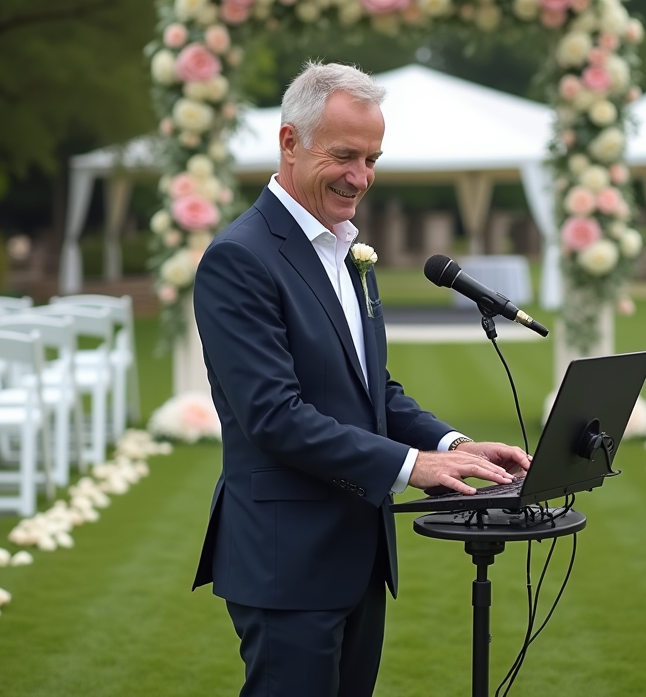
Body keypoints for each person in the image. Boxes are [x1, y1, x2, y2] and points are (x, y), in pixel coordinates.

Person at [192, 61, 531, 697]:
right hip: (285, 562)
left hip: (358, 553)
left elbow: (374, 389)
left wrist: (453, 447)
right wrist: (412, 466)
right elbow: (274, 416)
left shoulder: (349, 252)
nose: (361, 177)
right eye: (345, 155)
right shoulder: (239, 259)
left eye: (373, 159)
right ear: (290, 142)